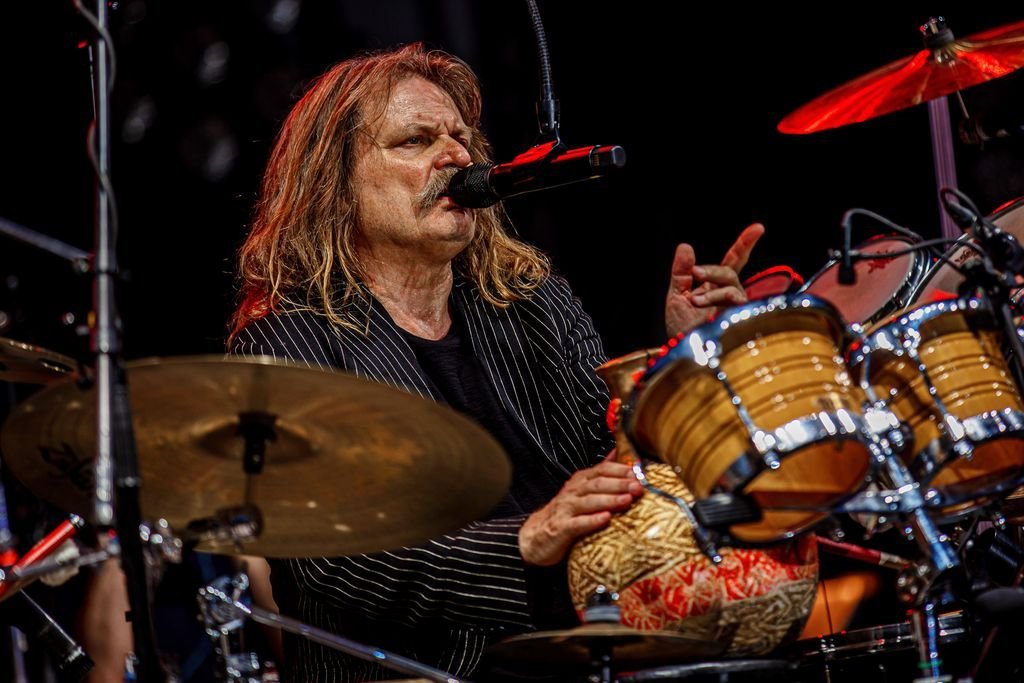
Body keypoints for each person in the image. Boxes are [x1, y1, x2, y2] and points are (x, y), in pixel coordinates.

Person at [229, 42, 762, 681]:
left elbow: (621, 464)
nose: (458, 158)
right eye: (415, 141)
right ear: (334, 184)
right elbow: (340, 559)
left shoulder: (532, 302)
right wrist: (526, 541)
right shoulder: (291, 345)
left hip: (590, 653)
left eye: (461, 139)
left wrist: (686, 360)